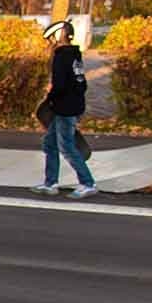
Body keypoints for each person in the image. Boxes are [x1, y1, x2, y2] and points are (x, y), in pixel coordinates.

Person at [32, 19, 98, 199]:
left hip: (64, 108)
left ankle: (87, 183)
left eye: (52, 37)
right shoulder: (75, 54)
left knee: (67, 147)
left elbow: (59, 85)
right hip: (71, 105)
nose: (51, 41)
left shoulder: (61, 56)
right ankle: (50, 183)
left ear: (58, 36)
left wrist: (50, 99)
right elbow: (80, 83)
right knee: (50, 144)